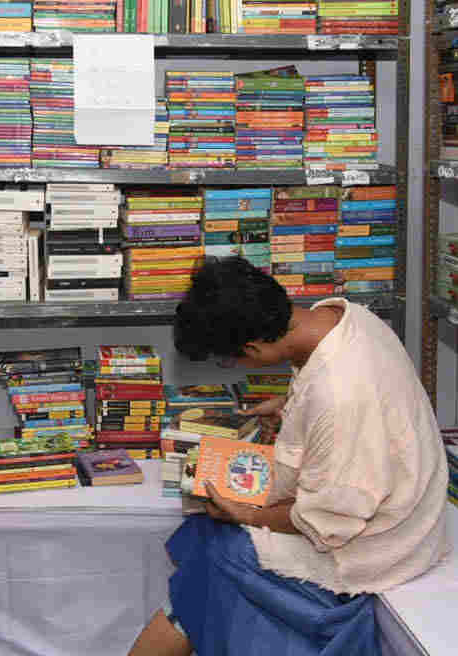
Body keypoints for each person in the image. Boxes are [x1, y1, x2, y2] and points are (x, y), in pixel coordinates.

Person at [127, 257, 449, 656]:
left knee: (218, 557)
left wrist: (247, 515)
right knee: (207, 542)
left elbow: (329, 524)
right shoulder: (337, 316)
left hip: (383, 543)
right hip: (383, 492)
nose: (236, 367)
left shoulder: (339, 396)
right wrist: (292, 403)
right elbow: (336, 395)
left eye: (232, 360)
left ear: (253, 346)